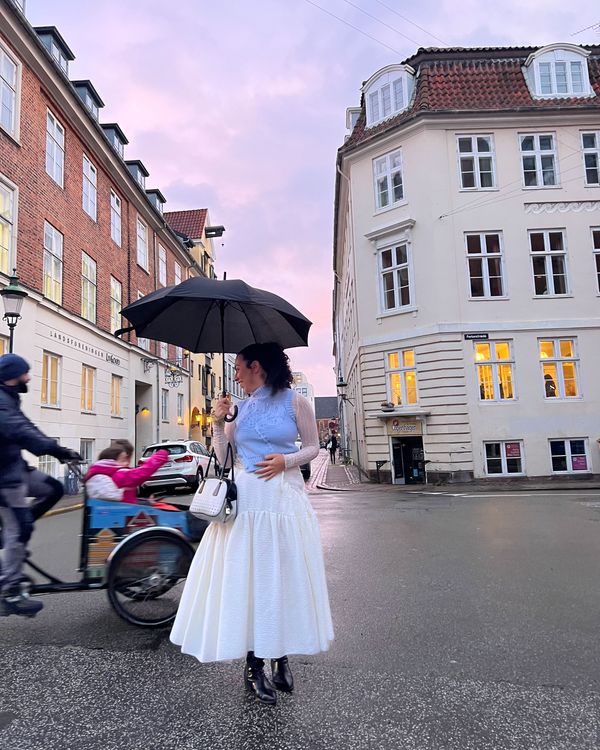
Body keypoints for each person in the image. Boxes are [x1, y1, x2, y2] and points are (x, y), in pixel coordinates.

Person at [171, 342, 334, 705]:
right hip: (247, 502)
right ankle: (254, 665)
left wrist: (286, 462)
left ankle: (281, 655)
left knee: (282, 578)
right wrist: (217, 422)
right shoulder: (240, 409)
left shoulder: (296, 402)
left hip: (283, 500)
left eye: (240, 369)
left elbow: (313, 447)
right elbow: (227, 456)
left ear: (256, 366)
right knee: (251, 582)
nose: (236, 375)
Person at [0, 354, 81, 617]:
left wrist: (59, 450)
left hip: (16, 470)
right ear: (14, 375)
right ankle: (10, 589)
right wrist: (54, 449)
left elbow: (27, 426)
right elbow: (19, 431)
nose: (29, 377)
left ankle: (17, 531)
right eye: (26, 373)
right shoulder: (1, 401)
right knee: (18, 527)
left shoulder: (9, 398)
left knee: (53, 489)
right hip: (4, 478)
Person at [84, 442, 170, 504]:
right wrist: (162, 455)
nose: (127, 463)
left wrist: (146, 502)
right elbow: (143, 472)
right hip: (126, 515)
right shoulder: (119, 474)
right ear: (111, 461)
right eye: (124, 460)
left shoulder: (105, 473)